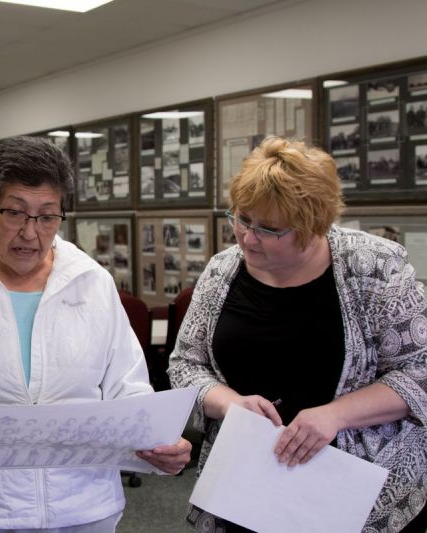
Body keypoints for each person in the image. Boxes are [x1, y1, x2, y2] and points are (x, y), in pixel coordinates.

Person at [0, 136, 192, 532]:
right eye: (15, 213)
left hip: (84, 505)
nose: (31, 233)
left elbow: (128, 388)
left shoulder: (91, 282)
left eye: (47, 217)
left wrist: (160, 439)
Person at [167, 136, 427, 533]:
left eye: (269, 229)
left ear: (312, 225)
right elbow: (186, 365)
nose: (247, 238)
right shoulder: (222, 271)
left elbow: (420, 371)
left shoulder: (374, 267)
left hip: (356, 490)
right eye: (242, 219)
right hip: (247, 482)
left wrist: (335, 415)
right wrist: (230, 403)